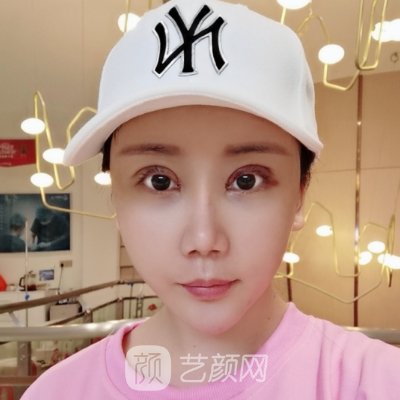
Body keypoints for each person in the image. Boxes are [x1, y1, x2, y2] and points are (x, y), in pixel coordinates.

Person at [22, 0, 400, 398]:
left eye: (247, 181)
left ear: (300, 195)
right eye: (159, 182)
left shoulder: (376, 383)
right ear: (115, 197)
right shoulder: (57, 392)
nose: (203, 240)